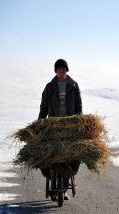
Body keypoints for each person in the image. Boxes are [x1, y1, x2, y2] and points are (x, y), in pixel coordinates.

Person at [38, 59, 82, 200]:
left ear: (67, 70)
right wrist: (41, 123)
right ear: (55, 71)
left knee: (70, 155)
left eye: (64, 68)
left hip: (69, 125)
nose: (61, 71)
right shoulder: (49, 87)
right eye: (59, 69)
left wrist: (78, 122)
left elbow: (79, 106)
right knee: (52, 153)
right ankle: (53, 183)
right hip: (54, 125)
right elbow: (44, 106)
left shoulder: (73, 86)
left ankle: (65, 186)